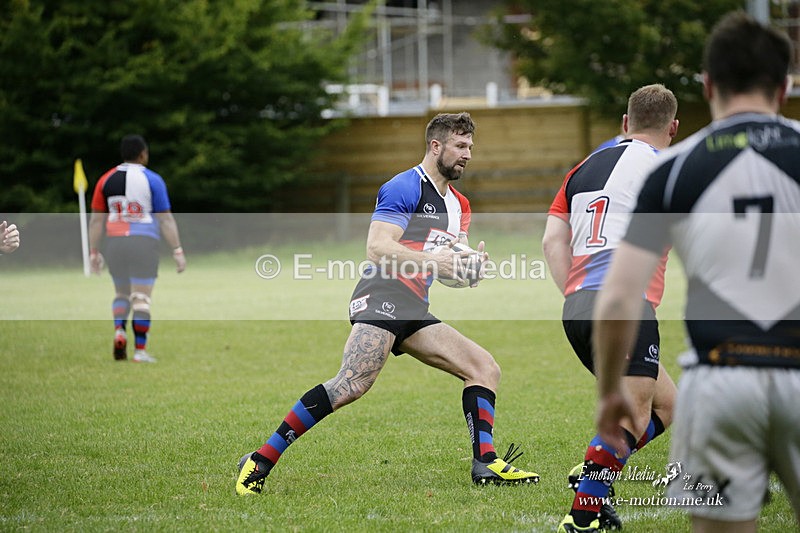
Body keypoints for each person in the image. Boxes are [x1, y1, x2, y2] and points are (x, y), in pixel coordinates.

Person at [236, 112, 540, 495]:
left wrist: (467, 273)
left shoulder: (460, 205)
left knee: (484, 367)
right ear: (436, 146)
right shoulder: (404, 187)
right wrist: (436, 262)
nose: (467, 155)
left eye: (470, 148)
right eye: (460, 146)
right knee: (351, 384)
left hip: (413, 305)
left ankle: (486, 463)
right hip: (381, 295)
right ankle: (260, 461)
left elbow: (446, 268)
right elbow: (377, 247)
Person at [593, 12, 800, 533]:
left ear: (707, 86)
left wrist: (609, 394)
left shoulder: (673, 167)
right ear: (785, 85)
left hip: (719, 383)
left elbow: (619, 296)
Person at [543, 84, 681, 532]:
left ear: (624, 123)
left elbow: (551, 241)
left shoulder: (581, 168)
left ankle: (593, 475)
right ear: (673, 128)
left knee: (670, 408)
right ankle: (584, 518)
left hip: (578, 306)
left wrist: (577, 296)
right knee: (633, 415)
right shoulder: (667, 168)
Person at [88, 134, 186, 363]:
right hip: (143, 242)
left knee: (121, 294)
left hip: (115, 243)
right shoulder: (152, 180)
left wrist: (93, 252)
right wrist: (178, 250)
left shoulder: (105, 180)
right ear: (143, 154)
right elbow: (166, 219)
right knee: (141, 297)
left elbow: (95, 221)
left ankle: (119, 331)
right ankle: (140, 351)